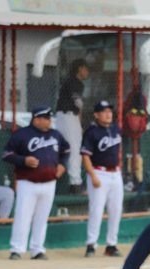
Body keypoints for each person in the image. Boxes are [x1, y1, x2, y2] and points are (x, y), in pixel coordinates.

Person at [3, 106, 70, 260]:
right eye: (46, 118)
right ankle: (17, 249)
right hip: (28, 182)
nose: (49, 120)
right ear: (36, 119)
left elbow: (66, 150)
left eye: (49, 118)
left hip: (49, 183)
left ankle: (37, 249)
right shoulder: (22, 134)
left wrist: (62, 165)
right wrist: (23, 160)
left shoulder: (55, 135)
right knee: (22, 216)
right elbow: (6, 154)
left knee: (42, 217)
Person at [82, 100, 124, 258]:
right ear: (96, 115)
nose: (108, 114)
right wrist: (92, 175)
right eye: (104, 111)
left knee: (116, 210)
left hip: (115, 174)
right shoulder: (91, 132)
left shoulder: (115, 128)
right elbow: (85, 156)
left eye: (109, 111)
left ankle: (111, 245)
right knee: (96, 210)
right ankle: (91, 244)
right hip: (99, 173)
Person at [55, 59, 89, 194]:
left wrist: (79, 123)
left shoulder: (71, 81)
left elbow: (78, 107)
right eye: (85, 69)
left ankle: (73, 182)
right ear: (80, 69)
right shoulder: (74, 82)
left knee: (69, 149)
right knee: (74, 149)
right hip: (67, 116)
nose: (87, 72)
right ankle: (75, 184)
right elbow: (78, 103)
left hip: (67, 117)